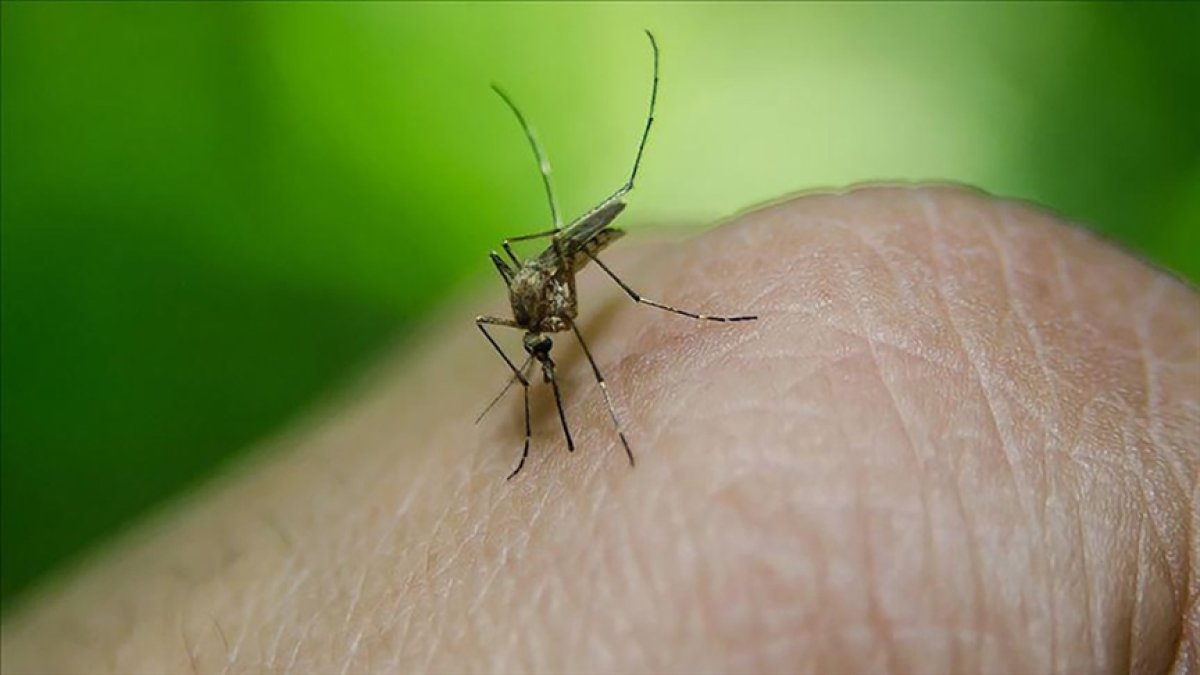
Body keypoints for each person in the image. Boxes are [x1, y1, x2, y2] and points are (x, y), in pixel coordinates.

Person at [2, 186, 1195, 673]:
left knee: (606, 302)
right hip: (550, 285)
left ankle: (656, 320)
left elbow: (556, 292)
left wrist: (580, 321)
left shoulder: (564, 290)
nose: (534, 337)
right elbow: (514, 323)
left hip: (584, 261)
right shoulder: (521, 324)